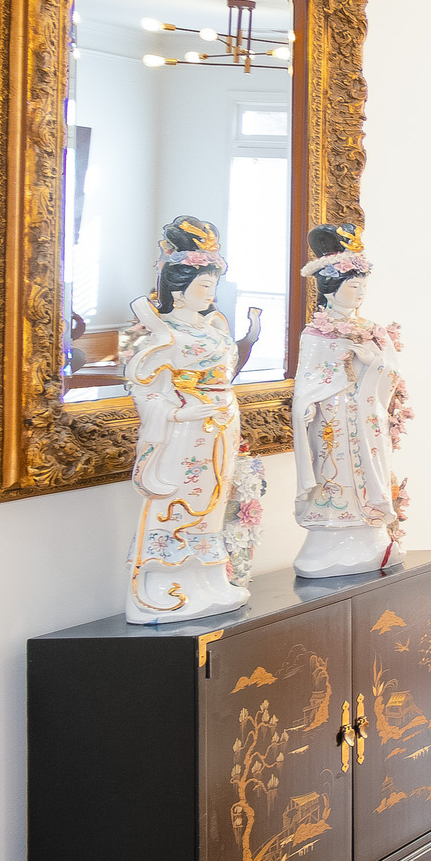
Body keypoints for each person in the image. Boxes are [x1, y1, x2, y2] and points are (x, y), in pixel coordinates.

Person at [120, 214, 253, 623]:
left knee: (213, 501)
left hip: (220, 425)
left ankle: (209, 577)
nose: (210, 293)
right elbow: (144, 389)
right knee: (176, 500)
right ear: (178, 290)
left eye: (213, 285)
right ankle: (161, 586)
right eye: (203, 285)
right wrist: (181, 412)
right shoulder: (162, 333)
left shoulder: (214, 326)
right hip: (184, 430)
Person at [290, 223, 410, 575]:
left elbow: (392, 370)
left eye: (362, 287)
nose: (360, 294)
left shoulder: (373, 330)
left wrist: (374, 362)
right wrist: (336, 378)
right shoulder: (316, 333)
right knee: (335, 469)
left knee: (372, 467)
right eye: (353, 286)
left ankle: (369, 533)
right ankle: (332, 537)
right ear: (331, 289)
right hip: (332, 417)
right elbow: (307, 381)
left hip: (367, 417)